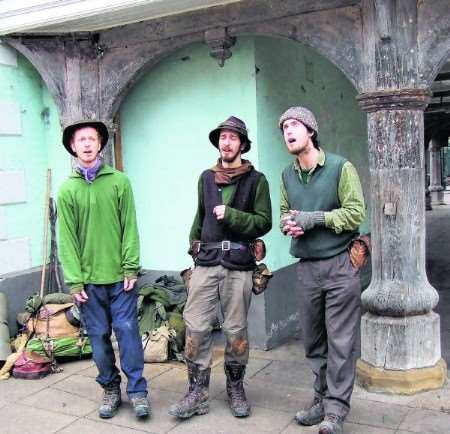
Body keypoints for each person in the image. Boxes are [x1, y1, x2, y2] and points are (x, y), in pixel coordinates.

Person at [169, 116, 272, 419]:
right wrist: (193, 249)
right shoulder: (206, 177)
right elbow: (199, 218)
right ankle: (197, 392)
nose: (226, 143)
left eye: (232, 137)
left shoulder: (257, 180)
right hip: (207, 264)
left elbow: (264, 222)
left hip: (239, 266)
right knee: (196, 326)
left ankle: (235, 388)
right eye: (222, 138)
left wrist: (233, 216)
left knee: (236, 331)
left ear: (242, 144)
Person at [278, 107, 365, 434]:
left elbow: (355, 214)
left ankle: (336, 410)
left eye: (294, 124)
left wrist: (313, 219)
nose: (288, 130)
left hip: (340, 265)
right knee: (314, 341)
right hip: (306, 270)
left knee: (341, 341)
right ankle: (321, 399)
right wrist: (291, 225)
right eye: (284, 127)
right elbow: (286, 212)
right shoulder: (287, 174)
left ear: (311, 131)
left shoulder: (341, 168)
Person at [57, 120, 150, 419]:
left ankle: (137, 391)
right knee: (98, 339)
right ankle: (110, 388)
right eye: (80, 139)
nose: (86, 144)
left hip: (121, 279)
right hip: (88, 283)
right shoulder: (67, 190)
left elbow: (130, 228)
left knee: (127, 333)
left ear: (100, 144)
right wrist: (74, 282)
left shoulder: (119, 181)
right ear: (73, 146)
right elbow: (67, 240)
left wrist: (130, 268)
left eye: (92, 139)